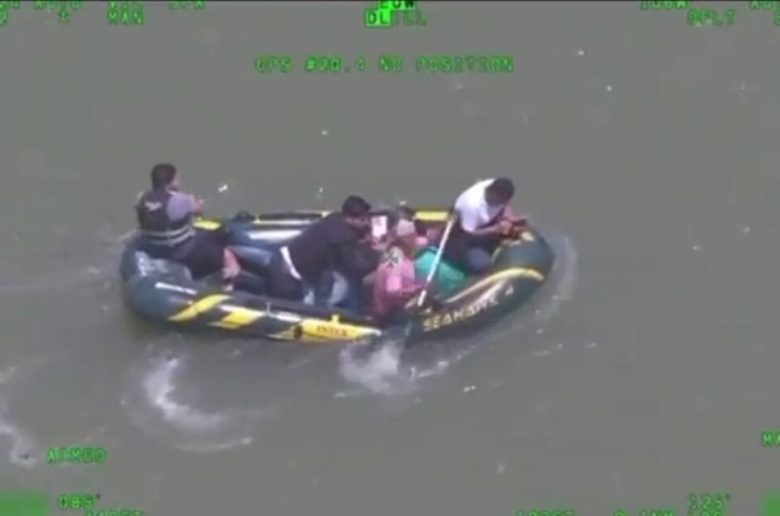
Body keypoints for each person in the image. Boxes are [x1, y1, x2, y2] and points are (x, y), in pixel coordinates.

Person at [267, 195, 379, 312]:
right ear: (349, 219)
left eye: (367, 218)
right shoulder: (341, 237)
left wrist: (366, 235)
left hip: (288, 255)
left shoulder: (335, 217)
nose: (367, 223)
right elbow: (356, 266)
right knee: (310, 307)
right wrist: (380, 256)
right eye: (362, 220)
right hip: (288, 273)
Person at [135, 163, 241, 282]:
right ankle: (232, 276)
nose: (179, 181)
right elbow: (198, 212)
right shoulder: (180, 200)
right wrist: (193, 201)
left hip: (155, 250)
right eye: (176, 179)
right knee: (224, 243)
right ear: (170, 182)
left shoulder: (141, 198)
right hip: (181, 252)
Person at [445, 177, 526, 274]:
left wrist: (510, 217)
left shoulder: (494, 185)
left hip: (487, 223)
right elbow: (468, 233)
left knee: (516, 231)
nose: (502, 203)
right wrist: (494, 229)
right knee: (482, 264)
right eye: (501, 201)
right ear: (493, 194)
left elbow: (506, 204)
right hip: (465, 235)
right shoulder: (472, 206)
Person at [371, 219, 425, 326]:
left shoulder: (393, 253)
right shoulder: (396, 258)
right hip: (391, 315)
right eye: (414, 236)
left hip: (395, 310)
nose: (416, 240)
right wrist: (416, 290)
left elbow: (424, 241)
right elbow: (392, 291)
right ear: (407, 239)